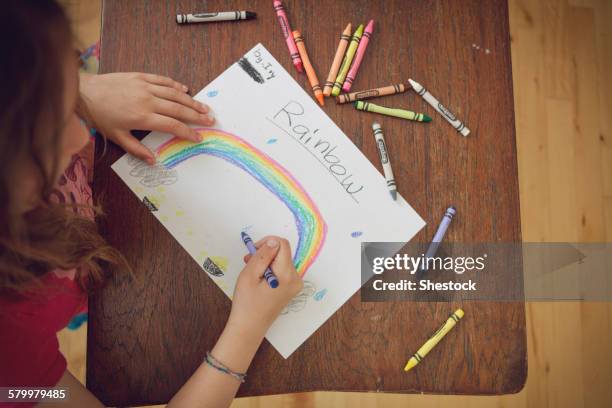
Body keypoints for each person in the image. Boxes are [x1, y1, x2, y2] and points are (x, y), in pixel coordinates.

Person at [0, 1, 303, 407]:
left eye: (66, 85)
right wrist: (248, 327)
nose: (79, 135)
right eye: (45, 136)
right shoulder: (11, 357)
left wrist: (87, 93)